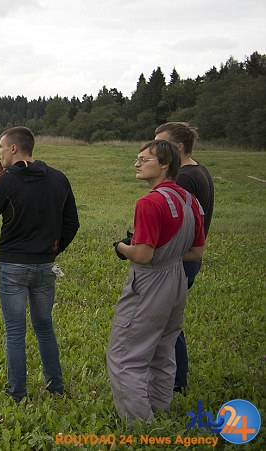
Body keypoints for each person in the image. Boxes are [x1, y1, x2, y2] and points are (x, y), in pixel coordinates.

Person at [0, 126, 80, 402]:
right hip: (46, 265)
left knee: (15, 331)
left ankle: (17, 393)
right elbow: (72, 223)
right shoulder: (59, 179)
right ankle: (55, 386)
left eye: (0, 146)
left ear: (13, 149)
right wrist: (53, 250)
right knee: (45, 326)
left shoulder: (7, 182)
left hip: (11, 265)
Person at [109, 140, 205, 422]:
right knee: (163, 349)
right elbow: (197, 252)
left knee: (125, 355)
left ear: (165, 165)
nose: (137, 164)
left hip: (150, 282)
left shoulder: (150, 202)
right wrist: (170, 254)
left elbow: (142, 254)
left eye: (144, 159)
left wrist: (121, 247)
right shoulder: (190, 201)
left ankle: (139, 424)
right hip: (176, 280)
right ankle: (160, 408)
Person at [154, 122, 213, 393]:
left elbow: (177, 220)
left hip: (179, 260)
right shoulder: (200, 170)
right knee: (170, 322)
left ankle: (175, 383)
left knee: (168, 325)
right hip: (188, 257)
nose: (156, 149)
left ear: (178, 147)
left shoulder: (185, 178)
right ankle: (173, 380)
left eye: (161, 144)